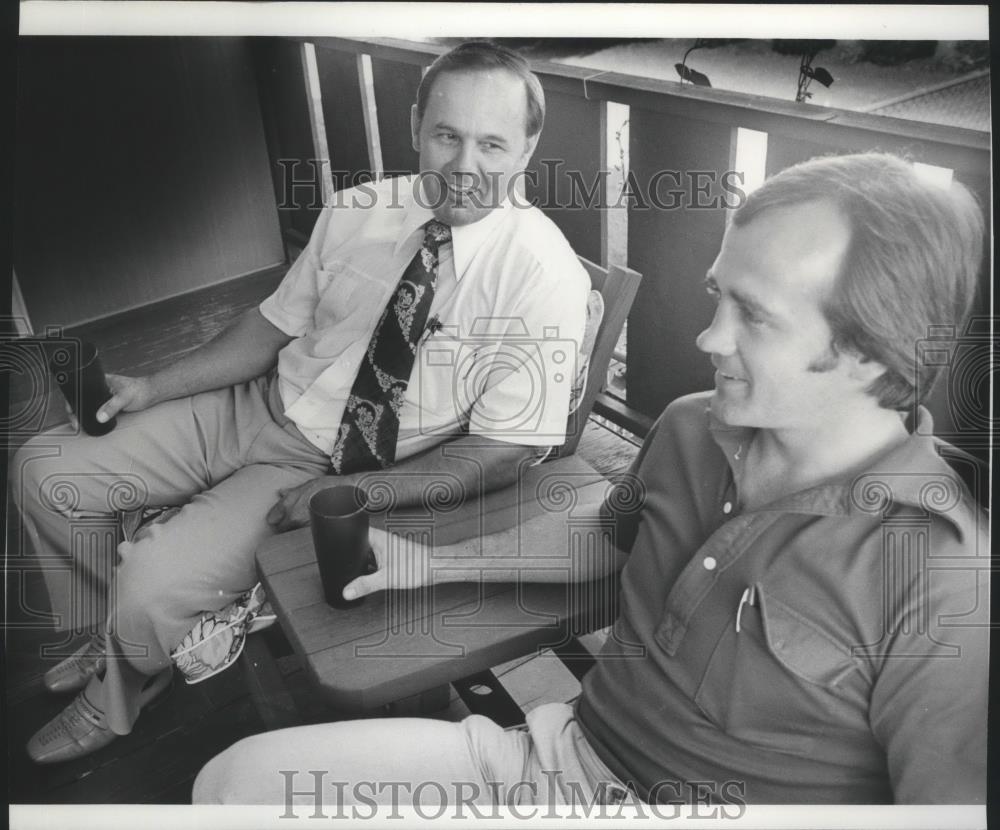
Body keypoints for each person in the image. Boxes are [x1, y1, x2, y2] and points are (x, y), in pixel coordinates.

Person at [194, 152, 988, 807]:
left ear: (874, 351)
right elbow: (605, 543)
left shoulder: (944, 578)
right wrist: (435, 565)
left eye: (757, 316)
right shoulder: (689, 427)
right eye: (719, 296)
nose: (708, 336)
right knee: (236, 785)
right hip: (553, 764)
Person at [10, 40, 589, 763]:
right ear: (415, 125)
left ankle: (123, 686)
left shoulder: (542, 278)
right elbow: (270, 326)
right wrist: (153, 386)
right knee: (45, 470)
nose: (464, 166)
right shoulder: (358, 210)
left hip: (326, 463)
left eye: (492, 144)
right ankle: (125, 645)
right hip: (253, 400)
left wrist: (354, 489)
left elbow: (504, 448)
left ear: (529, 148)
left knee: (152, 584)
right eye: (447, 135)